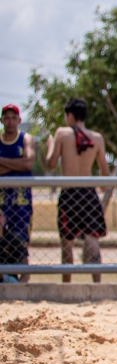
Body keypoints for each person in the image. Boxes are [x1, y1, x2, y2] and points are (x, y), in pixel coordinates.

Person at [45, 98, 108, 283]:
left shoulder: (62, 133)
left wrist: (50, 145)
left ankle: (67, 286)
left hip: (69, 193)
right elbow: (104, 170)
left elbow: (51, 163)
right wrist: (101, 188)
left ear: (70, 115)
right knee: (92, 239)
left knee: (67, 242)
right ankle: (97, 285)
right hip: (88, 193)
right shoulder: (97, 138)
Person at [0, 104, 35, 283]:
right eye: (6, 118)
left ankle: (20, 283)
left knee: (20, 241)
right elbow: (22, 164)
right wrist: (17, 164)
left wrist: (3, 162)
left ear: (19, 120)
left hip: (21, 202)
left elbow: (28, 163)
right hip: (2, 201)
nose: (10, 122)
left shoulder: (26, 139)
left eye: (13, 118)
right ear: (1, 120)